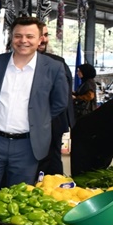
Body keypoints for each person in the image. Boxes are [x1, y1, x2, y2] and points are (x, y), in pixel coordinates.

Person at [0, 17, 69, 194]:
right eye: (18, 35)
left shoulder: (54, 67)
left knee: (18, 198)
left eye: (29, 36)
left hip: (28, 146)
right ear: (11, 37)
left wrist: (40, 118)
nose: (23, 41)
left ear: (40, 39)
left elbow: (60, 102)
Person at [36, 23, 74, 176]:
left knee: (50, 161)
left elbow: (60, 99)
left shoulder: (56, 63)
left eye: (46, 35)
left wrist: (43, 119)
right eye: (40, 36)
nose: (43, 40)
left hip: (51, 123)